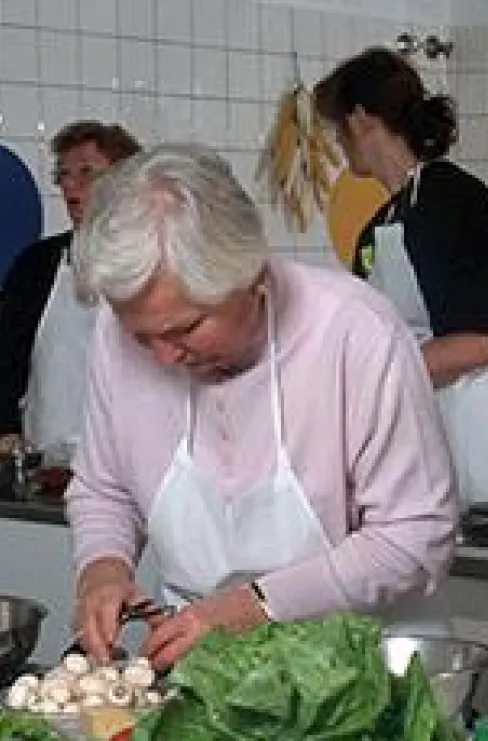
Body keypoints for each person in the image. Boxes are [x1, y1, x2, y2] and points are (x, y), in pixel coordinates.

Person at [67, 144, 457, 670]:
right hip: (205, 674)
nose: (163, 356)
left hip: (358, 671)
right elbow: (104, 488)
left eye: (185, 329)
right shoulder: (116, 337)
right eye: (142, 338)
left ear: (250, 277)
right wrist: (103, 567)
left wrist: (256, 605)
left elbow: (413, 537)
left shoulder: (355, 331)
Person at [313, 48, 488, 510]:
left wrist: (369, 378)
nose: (339, 143)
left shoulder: (453, 199)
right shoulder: (379, 224)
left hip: (476, 427)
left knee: (483, 575)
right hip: (420, 424)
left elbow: (476, 343)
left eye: (337, 128)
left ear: (360, 119)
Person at [0, 121, 142, 454]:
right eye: (64, 175)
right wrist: (1, 430)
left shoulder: (155, 262)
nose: (70, 186)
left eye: (86, 173)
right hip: (50, 468)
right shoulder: (36, 265)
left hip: (137, 468)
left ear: (127, 182)